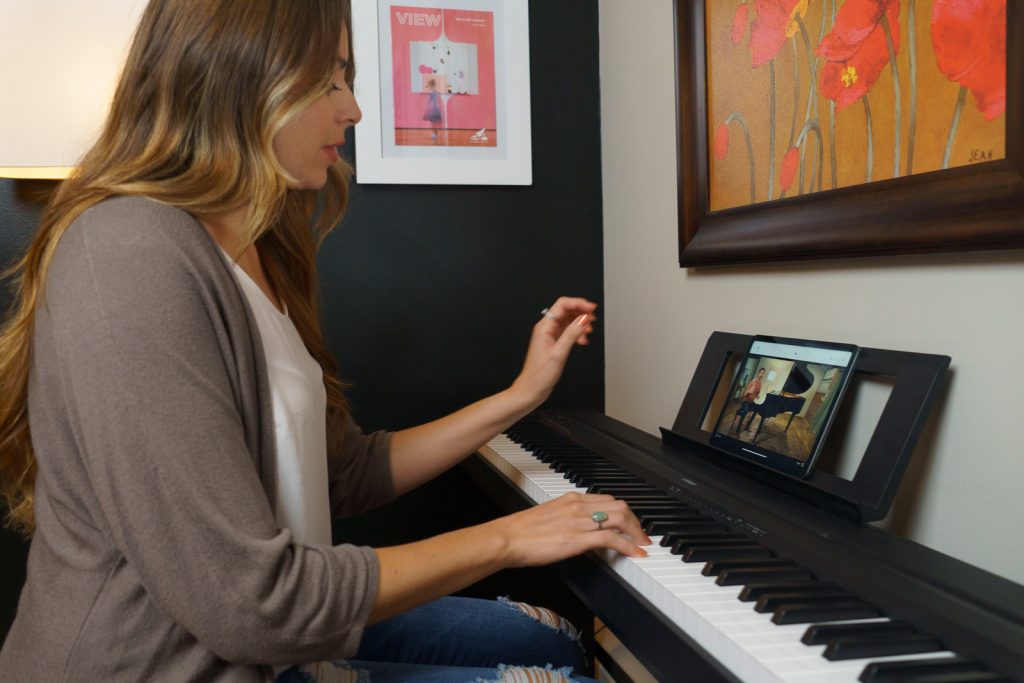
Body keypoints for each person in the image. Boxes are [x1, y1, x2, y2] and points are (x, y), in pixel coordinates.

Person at [0, 1, 649, 681]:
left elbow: (343, 471)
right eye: (330, 79)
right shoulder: (128, 255)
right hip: (162, 662)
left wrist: (520, 396)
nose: (355, 110)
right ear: (241, 75)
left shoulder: (260, 250)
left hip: (280, 639)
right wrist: (512, 537)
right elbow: (250, 601)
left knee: (558, 641)